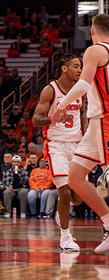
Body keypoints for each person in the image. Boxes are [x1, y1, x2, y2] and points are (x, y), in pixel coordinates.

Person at [49, 17, 109, 253]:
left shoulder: (95, 50)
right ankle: (107, 222)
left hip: (104, 118)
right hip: (96, 121)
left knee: (107, 178)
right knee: (74, 178)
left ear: (92, 31)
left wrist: (61, 105)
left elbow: (83, 85)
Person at [33, 52, 84, 250]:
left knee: (78, 198)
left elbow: (82, 113)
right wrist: (53, 118)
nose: (80, 70)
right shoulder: (50, 90)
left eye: (80, 66)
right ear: (64, 68)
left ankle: (61, 211)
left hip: (77, 145)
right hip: (55, 144)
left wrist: (86, 132)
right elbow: (36, 120)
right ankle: (65, 238)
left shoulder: (81, 89)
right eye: (75, 66)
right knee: (63, 191)